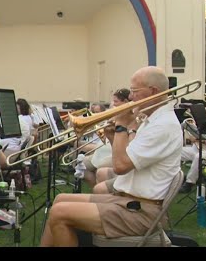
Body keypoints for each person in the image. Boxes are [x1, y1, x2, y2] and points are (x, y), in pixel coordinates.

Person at [40, 66, 182, 246]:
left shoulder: (162, 125)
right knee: (59, 200)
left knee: (60, 213)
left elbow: (120, 166)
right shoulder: (152, 119)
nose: (130, 97)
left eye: (134, 91)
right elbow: (128, 154)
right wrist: (113, 136)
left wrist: (122, 125)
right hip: (127, 200)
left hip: (141, 212)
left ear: (152, 91)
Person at [82, 88, 131, 188]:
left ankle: (100, 190)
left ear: (125, 102)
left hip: (114, 152)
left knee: (100, 169)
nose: (114, 104)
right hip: (105, 149)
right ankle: (96, 189)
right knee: (81, 165)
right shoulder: (116, 112)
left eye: (116, 101)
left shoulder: (129, 116)